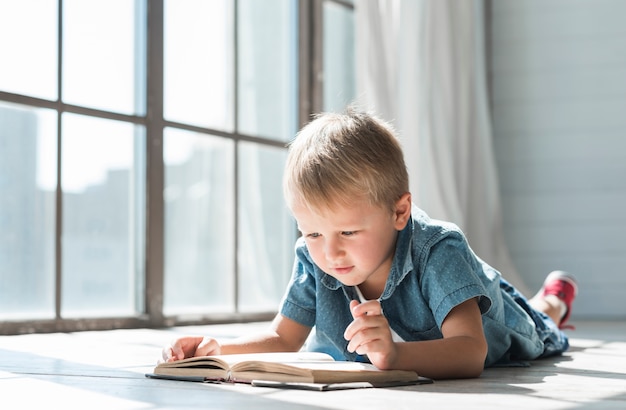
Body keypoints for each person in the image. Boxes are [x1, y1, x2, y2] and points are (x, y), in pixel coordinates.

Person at [162, 109, 578, 380]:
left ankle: (553, 298)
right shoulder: (314, 259)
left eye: (347, 232)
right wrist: (218, 347)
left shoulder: (438, 250)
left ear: (399, 213)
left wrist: (395, 355)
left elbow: (471, 352)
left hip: (496, 317)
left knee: (541, 323)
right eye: (312, 233)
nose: (330, 252)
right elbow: (283, 338)